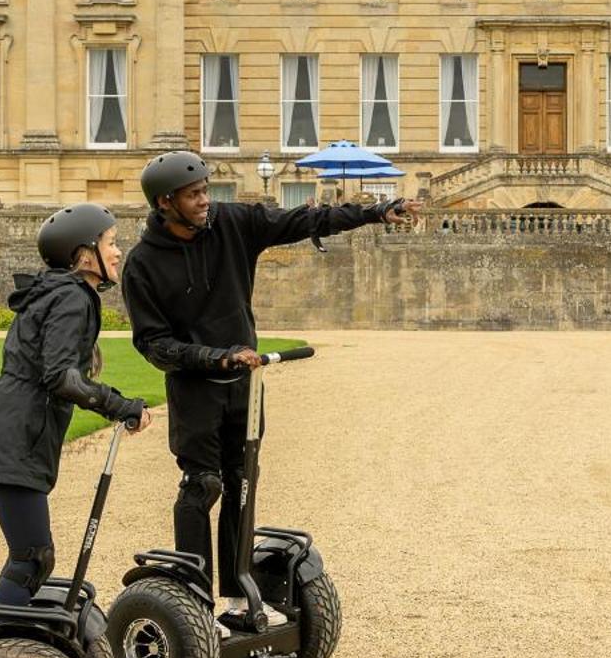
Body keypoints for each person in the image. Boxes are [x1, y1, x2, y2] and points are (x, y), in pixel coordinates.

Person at [121, 151, 415, 627]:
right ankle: (194, 605)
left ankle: (238, 598)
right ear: (164, 202)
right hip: (195, 391)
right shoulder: (143, 264)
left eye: (205, 191)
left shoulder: (233, 223)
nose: (205, 201)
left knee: (240, 482)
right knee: (204, 484)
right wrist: (215, 356)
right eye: (194, 195)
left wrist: (375, 212)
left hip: (245, 385)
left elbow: (303, 218)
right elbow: (153, 345)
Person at [0, 204, 150, 606]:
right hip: (15, 437)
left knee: (34, 557)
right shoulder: (71, 297)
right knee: (31, 559)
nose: (118, 252)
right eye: (111, 243)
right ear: (85, 254)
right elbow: (61, 377)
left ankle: (12, 647)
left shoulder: (61, 292)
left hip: (15, 432)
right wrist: (120, 405)